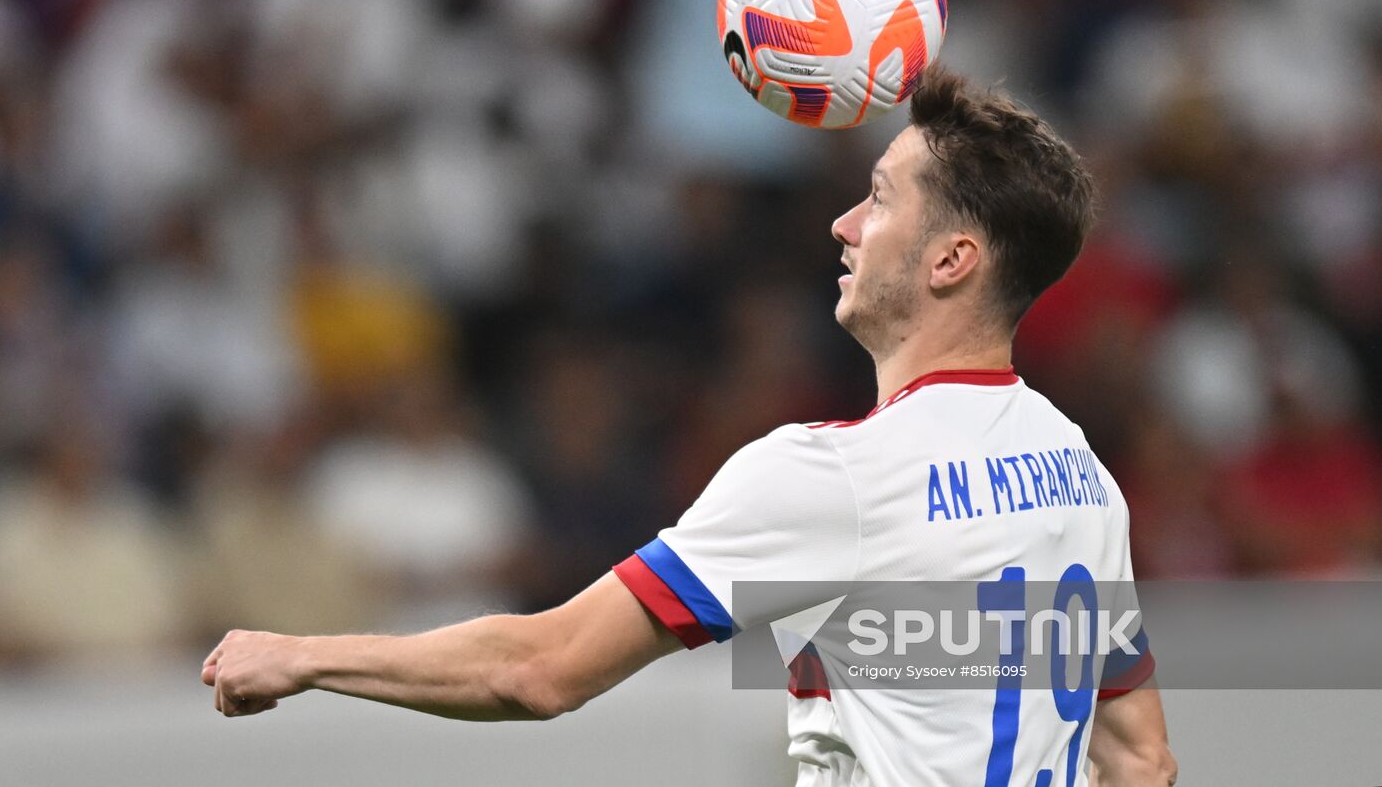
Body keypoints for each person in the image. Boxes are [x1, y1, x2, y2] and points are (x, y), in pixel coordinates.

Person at [202, 66, 1176, 786]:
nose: (843, 224)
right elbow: (1138, 758)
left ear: (951, 260)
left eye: (877, 198)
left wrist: (305, 655)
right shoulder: (1076, 470)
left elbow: (540, 670)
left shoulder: (829, 476)